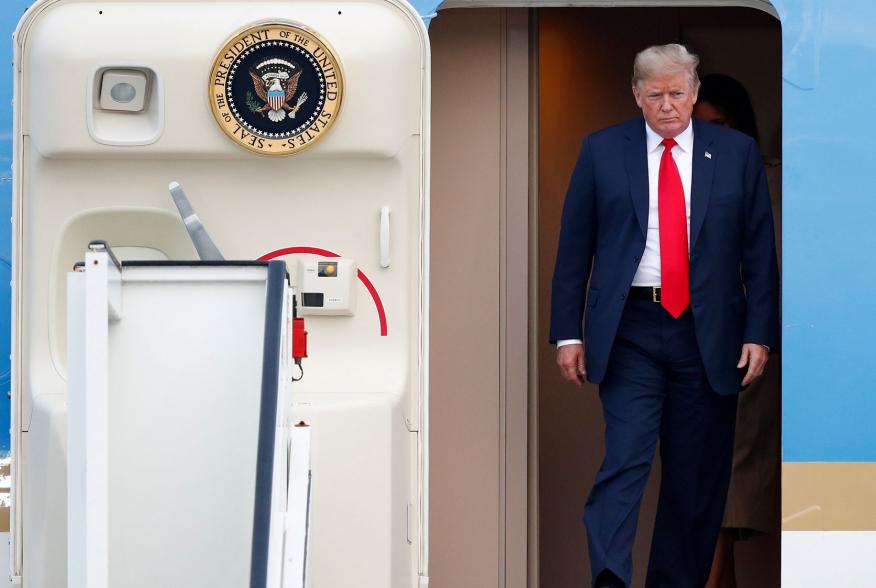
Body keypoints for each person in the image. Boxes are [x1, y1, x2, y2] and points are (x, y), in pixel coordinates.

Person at [549, 45, 778, 588]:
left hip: (710, 332)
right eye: (656, 95)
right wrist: (567, 334)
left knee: (695, 477)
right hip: (632, 328)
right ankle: (609, 578)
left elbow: (759, 252)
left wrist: (759, 335)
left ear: (695, 94)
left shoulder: (736, 152)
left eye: (678, 93)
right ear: (637, 96)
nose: (668, 105)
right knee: (625, 459)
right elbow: (574, 248)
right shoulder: (603, 149)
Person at [695, 74, 782, 588]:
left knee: (723, 480)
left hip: (748, 344)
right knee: (704, 482)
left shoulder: (772, 179)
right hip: (686, 346)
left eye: (720, 125)